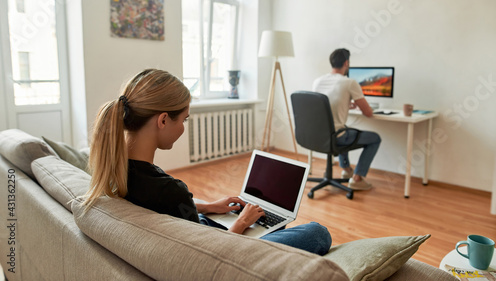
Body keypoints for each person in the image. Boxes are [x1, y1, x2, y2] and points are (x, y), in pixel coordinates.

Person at [83, 69, 331, 255]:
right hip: (218, 250)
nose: (183, 127)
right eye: (184, 120)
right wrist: (242, 222)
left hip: (192, 233)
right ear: (163, 120)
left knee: (260, 223)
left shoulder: (113, 170)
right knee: (317, 233)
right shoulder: (169, 190)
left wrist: (208, 206)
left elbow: (166, 212)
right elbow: (208, 255)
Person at [312, 48, 381, 190]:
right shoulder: (349, 83)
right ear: (346, 63)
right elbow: (368, 113)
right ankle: (357, 178)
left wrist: (344, 104)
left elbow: (322, 106)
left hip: (316, 136)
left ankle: (347, 170)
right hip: (337, 137)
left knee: (344, 129)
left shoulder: (318, 82)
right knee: (374, 138)